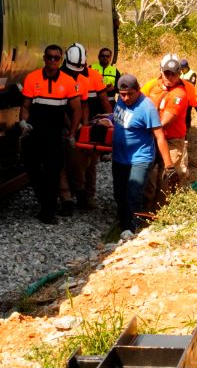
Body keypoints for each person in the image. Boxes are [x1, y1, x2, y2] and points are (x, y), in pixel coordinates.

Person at [96, 74, 174, 239]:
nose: (126, 98)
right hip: (119, 157)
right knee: (119, 193)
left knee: (133, 193)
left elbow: (159, 136)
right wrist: (108, 119)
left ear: (138, 90)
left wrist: (169, 165)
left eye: (130, 94)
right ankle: (123, 222)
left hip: (140, 158)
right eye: (122, 94)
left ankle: (132, 229)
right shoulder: (120, 100)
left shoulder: (147, 108)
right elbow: (120, 119)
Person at [19, 44, 82, 224]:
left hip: (55, 134)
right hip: (34, 132)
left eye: (56, 58)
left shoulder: (68, 81)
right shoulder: (32, 78)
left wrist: (71, 134)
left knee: (53, 171)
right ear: (44, 58)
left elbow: (76, 109)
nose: (53, 61)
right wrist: (23, 122)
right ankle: (45, 202)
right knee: (32, 168)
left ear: (60, 60)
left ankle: (48, 211)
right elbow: (25, 105)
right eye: (49, 57)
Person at [58, 43, 113, 215]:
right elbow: (62, 109)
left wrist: (110, 122)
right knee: (69, 163)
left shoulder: (90, 77)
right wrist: (73, 128)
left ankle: (86, 196)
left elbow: (88, 104)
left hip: (87, 126)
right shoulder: (61, 77)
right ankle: (71, 196)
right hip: (67, 126)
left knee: (90, 164)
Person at [141, 54, 189, 212]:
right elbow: (139, 100)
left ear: (179, 74)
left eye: (173, 74)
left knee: (166, 179)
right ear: (161, 71)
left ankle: (161, 214)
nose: (169, 77)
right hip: (152, 137)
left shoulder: (179, 94)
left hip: (171, 141)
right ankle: (145, 213)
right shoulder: (153, 86)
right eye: (166, 73)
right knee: (147, 176)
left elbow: (164, 123)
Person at [180, 58, 197, 129]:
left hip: (189, 96)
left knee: (187, 113)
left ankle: (187, 128)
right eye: (181, 69)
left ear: (187, 67)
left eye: (183, 68)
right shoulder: (181, 73)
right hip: (181, 96)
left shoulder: (192, 74)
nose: (182, 70)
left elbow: (192, 85)